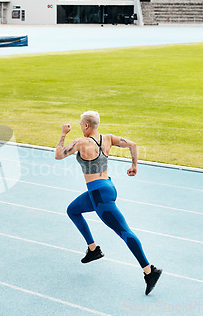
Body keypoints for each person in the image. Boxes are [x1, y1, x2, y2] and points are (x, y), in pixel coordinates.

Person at [55, 110, 162, 295]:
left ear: (86, 125)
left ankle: (149, 270)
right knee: (72, 210)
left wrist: (63, 134)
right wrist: (134, 165)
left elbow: (58, 154)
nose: (81, 128)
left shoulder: (81, 142)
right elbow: (133, 144)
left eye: (81, 125)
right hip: (106, 188)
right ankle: (93, 249)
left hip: (99, 195)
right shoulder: (108, 139)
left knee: (124, 232)